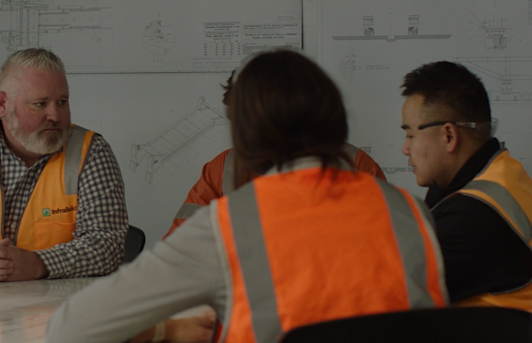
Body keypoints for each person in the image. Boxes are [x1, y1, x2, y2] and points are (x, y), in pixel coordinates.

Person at [46, 49, 447, 343]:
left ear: (246, 134)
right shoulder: (410, 211)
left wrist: (162, 333)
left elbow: (70, 328)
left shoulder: (226, 227)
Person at [0, 48, 128, 282]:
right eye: (40, 104)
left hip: (61, 301)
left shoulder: (91, 151)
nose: (55, 115)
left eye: (62, 102)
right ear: (3, 104)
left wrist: (39, 264)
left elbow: (107, 244)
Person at [165, 72, 387, 238]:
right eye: (237, 122)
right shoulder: (223, 168)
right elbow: (180, 249)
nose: (242, 134)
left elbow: (383, 250)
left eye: (253, 121)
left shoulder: (355, 165)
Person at [400, 61, 532, 308]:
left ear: (448, 136)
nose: (405, 149)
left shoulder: (474, 216)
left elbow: (395, 292)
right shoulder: (501, 172)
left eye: (410, 135)